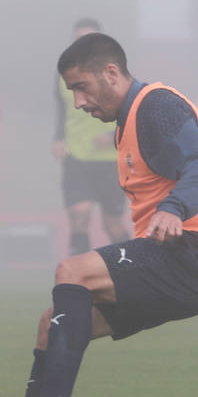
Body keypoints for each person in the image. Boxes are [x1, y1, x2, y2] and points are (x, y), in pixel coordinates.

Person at [0, 32, 198, 397]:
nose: (78, 102)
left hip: (197, 253)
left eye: (81, 87)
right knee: (51, 323)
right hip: (182, 258)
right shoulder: (126, 125)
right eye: (71, 91)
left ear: (111, 73)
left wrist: (174, 206)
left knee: (72, 272)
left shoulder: (155, 106)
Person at [53, 18, 128, 257]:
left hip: (109, 160)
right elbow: (61, 110)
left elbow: (131, 110)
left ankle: (132, 268)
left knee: (112, 225)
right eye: (78, 40)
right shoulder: (63, 75)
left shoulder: (114, 74)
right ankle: (81, 278)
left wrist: (112, 134)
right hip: (77, 156)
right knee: (79, 214)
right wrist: (58, 138)